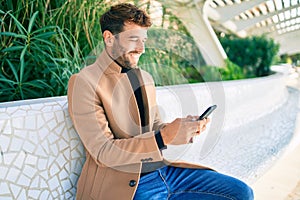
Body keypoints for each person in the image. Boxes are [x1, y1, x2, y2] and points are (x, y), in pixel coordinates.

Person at [67, 3, 254, 200]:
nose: (141, 49)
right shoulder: (84, 82)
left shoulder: (145, 77)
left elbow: (154, 128)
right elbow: (104, 152)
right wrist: (163, 137)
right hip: (127, 184)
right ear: (109, 38)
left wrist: (182, 128)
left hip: (166, 172)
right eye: (133, 40)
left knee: (241, 193)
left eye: (144, 40)